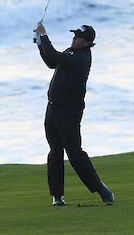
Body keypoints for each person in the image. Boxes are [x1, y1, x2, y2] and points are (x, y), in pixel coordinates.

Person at [33, 22, 114, 206]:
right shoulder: (71, 52)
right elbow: (51, 62)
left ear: (87, 42)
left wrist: (44, 35)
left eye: (78, 37)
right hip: (53, 109)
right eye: (74, 35)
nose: (74, 39)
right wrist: (39, 44)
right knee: (55, 152)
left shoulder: (81, 58)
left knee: (75, 153)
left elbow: (54, 55)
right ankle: (57, 196)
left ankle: (101, 189)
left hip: (68, 112)